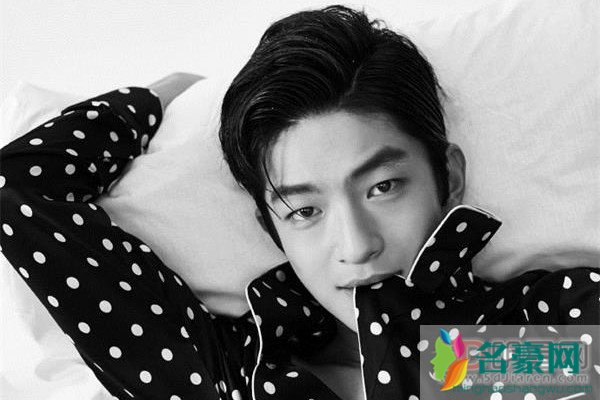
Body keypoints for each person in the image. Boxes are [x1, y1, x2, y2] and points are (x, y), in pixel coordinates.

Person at [0, 5, 597, 400]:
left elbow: (527, 367)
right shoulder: (230, 378)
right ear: (272, 226)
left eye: (383, 187)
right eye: (305, 211)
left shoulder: (546, 330)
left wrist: (408, 341)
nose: (357, 246)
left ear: (450, 177)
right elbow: (20, 188)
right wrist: (155, 99)